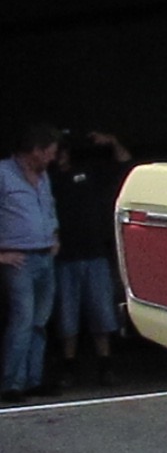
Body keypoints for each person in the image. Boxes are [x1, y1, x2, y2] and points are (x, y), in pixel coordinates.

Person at [52, 130, 134, 387]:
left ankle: (106, 366)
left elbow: (126, 164)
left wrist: (112, 141)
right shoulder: (46, 178)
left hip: (95, 253)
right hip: (64, 257)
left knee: (102, 314)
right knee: (67, 317)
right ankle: (68, 368)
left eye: (63, 149)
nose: (60, 154)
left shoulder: (91, 172)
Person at [0, 123, 62, 401]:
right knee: (22, 319)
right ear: (35, 151)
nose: (52, 158)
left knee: (40, 321)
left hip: (45, 254)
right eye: (49, 152)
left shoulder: (43, 175)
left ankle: (33, 379)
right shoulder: (2, 174)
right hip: (18, 258)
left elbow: (48, 207)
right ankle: (12, 383)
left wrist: (55, 233)